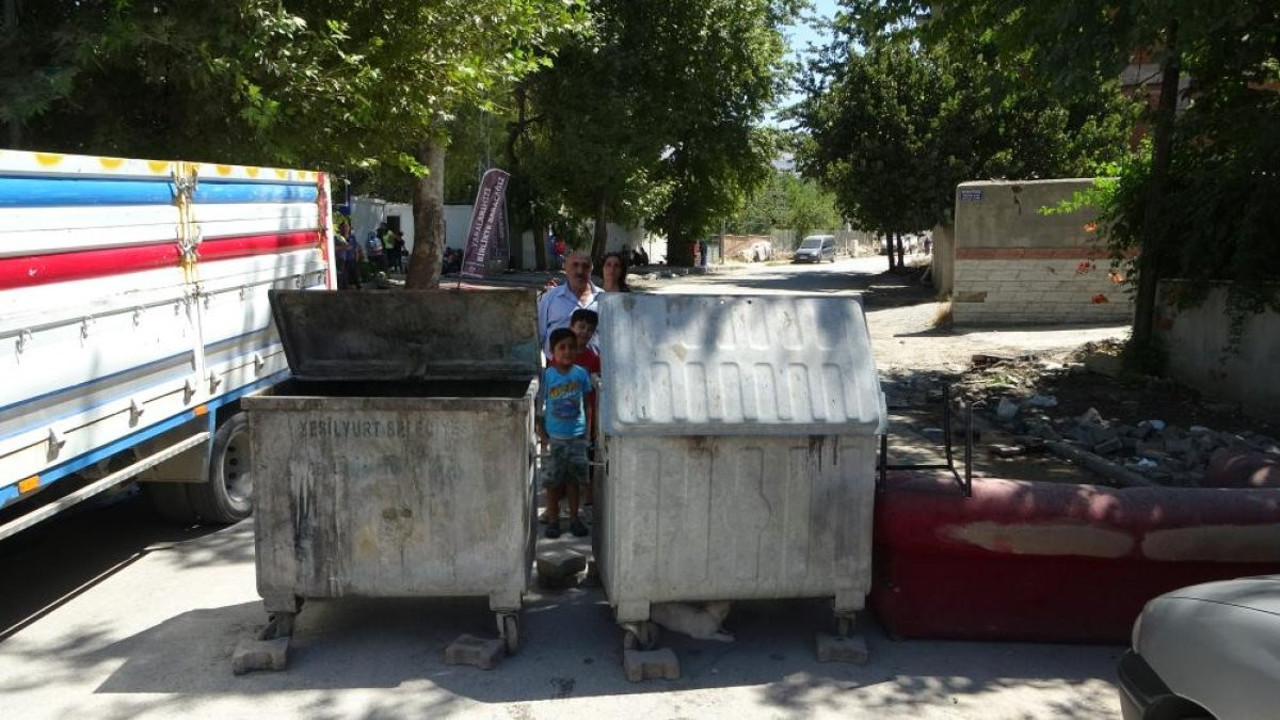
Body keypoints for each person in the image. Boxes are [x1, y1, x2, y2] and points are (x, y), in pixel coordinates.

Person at [536, 327, 592, 538]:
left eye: (571, 347)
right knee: (553, 483)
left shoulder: (580, 374)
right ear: (552, 351)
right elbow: (540, 405)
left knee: (574, 481)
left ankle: (575, 519)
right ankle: (553, 520)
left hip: (576, 437)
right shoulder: (548, 376)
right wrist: (542, 434)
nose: (567, 351)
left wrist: (587, 431)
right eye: (562, 347)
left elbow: (587, 403)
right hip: (554, 438)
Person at [537, 250, 601, 357]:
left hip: (594, 370)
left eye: (585, 266)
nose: (580, 271)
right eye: (575, 265)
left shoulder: (603, 299)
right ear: (565, 268)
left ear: (591, 270)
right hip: (556, 370)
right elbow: (538, 336)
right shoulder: (550, 298)